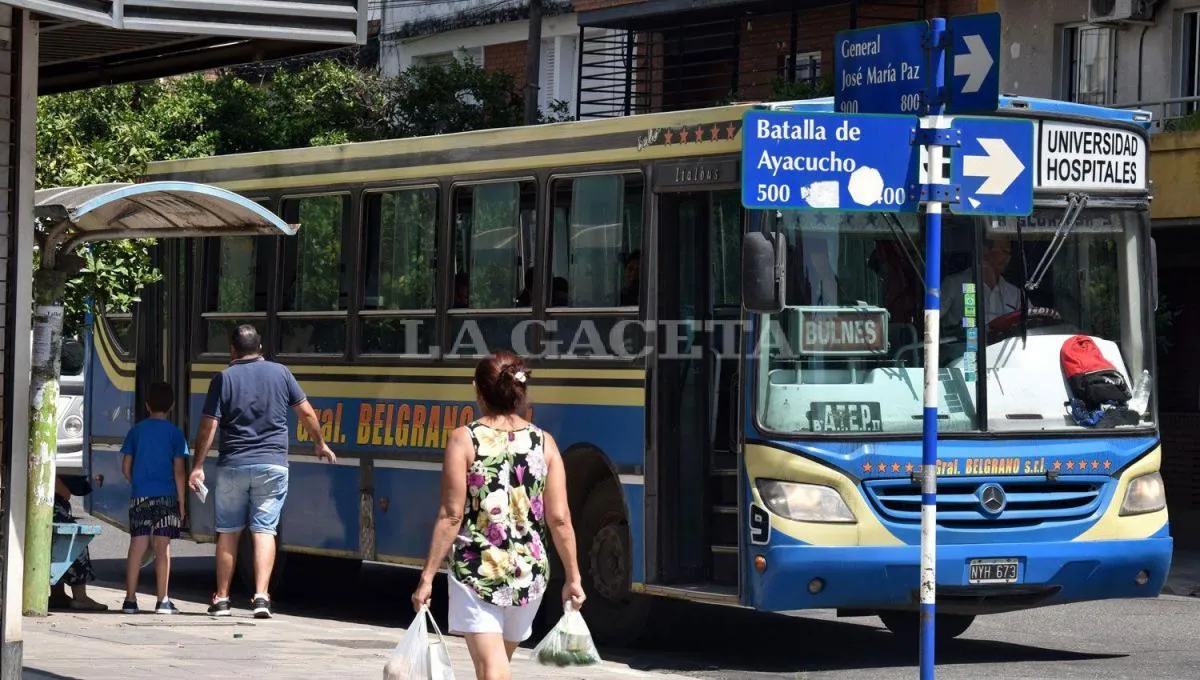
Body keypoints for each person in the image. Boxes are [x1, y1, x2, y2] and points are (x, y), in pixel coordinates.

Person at [412, 350, 585, 680]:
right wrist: (573, 577)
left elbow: (451, 515)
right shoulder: (544, 443)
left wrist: (426, 577)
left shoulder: (465, 439)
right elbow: (560, 518)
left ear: (478, 390)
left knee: (492, 669)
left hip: (478, 570)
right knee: (493, 666)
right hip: (529, 574)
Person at [189, 324, 336, 619]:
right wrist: (320, 443)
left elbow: (209, 425)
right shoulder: (281, 373)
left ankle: (222, 598)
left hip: (234, 464)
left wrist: (198, 465)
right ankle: (260, 597)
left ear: (232, 349)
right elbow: (306, 411)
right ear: (260, 348)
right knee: (265, 530)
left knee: (228, 532)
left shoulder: (223, 378)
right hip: (273, 465)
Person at [121, 381, 190, 614]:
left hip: (141, 496)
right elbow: (179, 471)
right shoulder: (175, 434)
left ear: (147, 405)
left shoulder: (136, 431)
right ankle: (163, 600)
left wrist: (137, 482)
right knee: (162, 547)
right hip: (167, 498)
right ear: (170, 406)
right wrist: (181, 501)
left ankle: (130, 600)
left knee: (137, 545)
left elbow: (125, 467)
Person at [48, 475, 108, 611]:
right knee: (75, 543)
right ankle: (80, 597)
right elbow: (63, 491)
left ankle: (58, 594)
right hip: (51, 509)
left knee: (55, 545)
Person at [941, 236, 1022, 329]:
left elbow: (1032, 318)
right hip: (965, 342)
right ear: (985, 250)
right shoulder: (953, 285)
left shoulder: (1015, 294)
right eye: (1002, 251)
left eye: (1008, 253)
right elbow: (930, 321)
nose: (1006, 258)